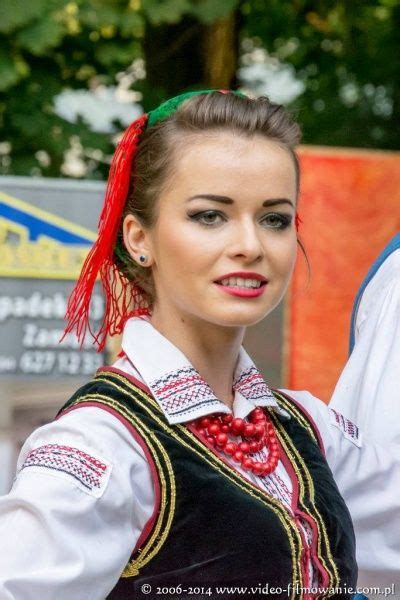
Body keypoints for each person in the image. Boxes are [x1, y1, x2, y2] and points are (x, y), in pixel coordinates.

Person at [0, 90, 399, 600]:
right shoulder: (103, 445)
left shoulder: (309, 431)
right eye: (210, 215)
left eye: (274, 219)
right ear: (139, 238)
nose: (250, 246)